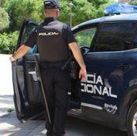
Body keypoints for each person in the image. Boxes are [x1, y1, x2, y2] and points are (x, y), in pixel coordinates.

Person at [10, 0, 87, 135]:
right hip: (62, 73)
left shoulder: (38, 29)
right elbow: (74, 48)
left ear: (45, 12)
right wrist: (82, 66)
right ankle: (58, 132)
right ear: (57, 12)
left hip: (45, 73)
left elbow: (24, 48)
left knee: (48, 103)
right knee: (61, 104)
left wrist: (14, 57)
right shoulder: (63, 28)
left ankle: (50, 131)